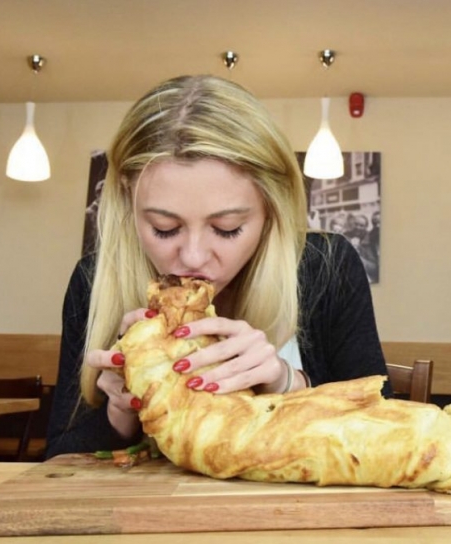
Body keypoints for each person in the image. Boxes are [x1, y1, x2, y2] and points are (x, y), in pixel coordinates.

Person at [46, 75, 391, 458]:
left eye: (227, 229)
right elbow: (57, 460)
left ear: (270, 211)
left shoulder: (327, 268)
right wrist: (119, 414)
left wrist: (285, 381)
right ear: (128, 201)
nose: (193, 258)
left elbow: (386, 437)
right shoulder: (93, 282)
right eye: (165, 228)